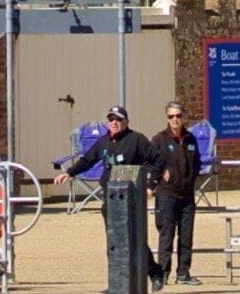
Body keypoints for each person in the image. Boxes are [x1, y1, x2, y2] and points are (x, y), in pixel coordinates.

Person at [60, 108, 168, 282]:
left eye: (118, 119)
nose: (114, 123)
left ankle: (154, 272)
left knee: (135, 239)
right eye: (111, 120)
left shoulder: (137, 140)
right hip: (111, 198)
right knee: (114, 243)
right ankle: (118, 283)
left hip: (132, 197)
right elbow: (87, 160)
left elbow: (158, 161)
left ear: (126, 121)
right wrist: (70, 173)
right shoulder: (103, 142)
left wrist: (150, 185)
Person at [149, 99, 208, 284]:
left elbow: (197, 162)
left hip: (187, 195)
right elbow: (149, 161)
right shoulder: (159, 139)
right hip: (167, 194)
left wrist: (190, 177)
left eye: (178, 116)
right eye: (171, 116)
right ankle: (163, 274)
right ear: (167, 118)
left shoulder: (190, 139)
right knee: (166, 234)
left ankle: (183, 273)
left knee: (186, 235)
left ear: (184, 117)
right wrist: (160, 176)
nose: (175, 119)